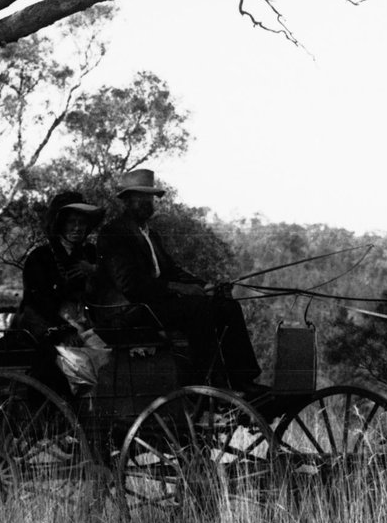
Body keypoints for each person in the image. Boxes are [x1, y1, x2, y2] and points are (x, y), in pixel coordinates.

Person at [94, 167, 262, 390]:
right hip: (127, 311)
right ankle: (205, 384)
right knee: (197, 308)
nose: (146, 202)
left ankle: (244, 380)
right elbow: (129, 284)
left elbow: (172, 270)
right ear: (127, 200)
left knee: (226, 306)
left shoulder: (150, 234)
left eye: (150, 197)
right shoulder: (114, 233)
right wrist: (179, 288)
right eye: (140, 197)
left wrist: (205, 285)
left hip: (152, 306)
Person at [13, 190, 105, 347]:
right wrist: (64, 331)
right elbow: (36, 304)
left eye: (82, 222)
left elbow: (106, 288)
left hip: (88, 324)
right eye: (71, 222)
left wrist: (94, 272)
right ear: (60, 224)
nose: (77, 228)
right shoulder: (40, 257)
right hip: (49, 328)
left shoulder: (91, 252)